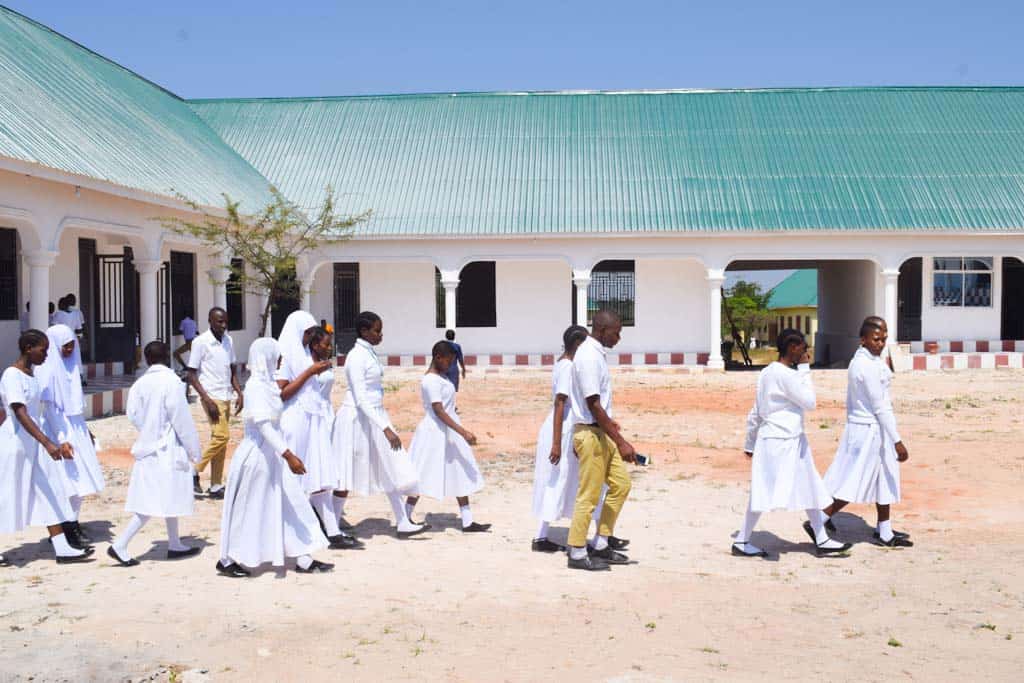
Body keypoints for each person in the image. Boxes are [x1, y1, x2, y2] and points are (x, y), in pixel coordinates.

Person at [218, 338, 333, 576]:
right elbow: (263, 426)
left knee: (291, 505)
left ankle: (303, 557)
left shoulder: (269, 385)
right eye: (277, 356)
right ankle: (228, 559)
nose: (280, 360)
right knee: (249, 509)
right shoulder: (255, 387)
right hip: (257, 457)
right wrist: (289, 455)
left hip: (273, 457)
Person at [731, 328, 851, 559]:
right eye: (803, 349)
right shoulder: (786, 375)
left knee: (809, 485)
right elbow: (810, 402)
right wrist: (805, 369)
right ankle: (742, 540)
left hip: (786, 440)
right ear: (793, 348)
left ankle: (822, 538)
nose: (806, 354)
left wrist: (750, 443)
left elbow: (756, 411)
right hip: (782, 441)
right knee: (763, 492)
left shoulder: (767, 372)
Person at [1, 330, 92, 563]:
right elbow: (20, 412)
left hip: (33, 445)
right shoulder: (12, 375)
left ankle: (62, 548)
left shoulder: (31, 375)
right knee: (6, 494)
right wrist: (47, 443)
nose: (46, 355)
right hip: (15, 444)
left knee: (50, 492)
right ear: (28, 348)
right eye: (43, 350)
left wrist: (51, 442)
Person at [333, 311, 426, 538]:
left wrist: (382, 423)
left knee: (390, 466)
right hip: (357, 419)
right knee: (345, 474)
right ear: (364, 331)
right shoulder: (356, 357)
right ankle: (331, 526)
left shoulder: (368, 353)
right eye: (377, 330)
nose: (380, 335)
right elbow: (361, 398)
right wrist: (385, 428)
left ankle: (403, 522)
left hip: (375, 416)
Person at [821, 317, 913, 548]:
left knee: (885, 477)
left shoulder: (867, 360)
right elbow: (880, 407)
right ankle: (819, 519)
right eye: (876, 339)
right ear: (863, 339)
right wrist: (897, 441)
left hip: (873, 429)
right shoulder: (866, 366)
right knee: (854, 480)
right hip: (869, 430)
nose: (881, 344)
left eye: (884, 339)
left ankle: (884, 531)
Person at [109, 342, 202, 566]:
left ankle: (174, 543)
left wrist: (149, 430)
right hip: (167, 448)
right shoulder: (172, 382)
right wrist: (194, 450)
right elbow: (181, 419)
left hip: (148, 446)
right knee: (151, 501)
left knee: (169, 495)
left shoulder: (140, 384)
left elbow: (133, 414)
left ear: (147, 359)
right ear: (167, 357)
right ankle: (120, 544)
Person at [275, 311, 360, 550]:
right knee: (295, 478)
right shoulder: (286, 357)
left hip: (314, 421)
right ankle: (292, 532)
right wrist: (310, 372)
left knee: (320, 476)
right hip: (296, 421)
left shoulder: (304, 354)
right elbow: (282, 393)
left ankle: (333, 532)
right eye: (308, 332)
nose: (310, 337)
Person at [565, 309, 634, 571]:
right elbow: (593, 403)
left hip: (601, 431)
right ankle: (577, 552)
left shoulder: (596, 354)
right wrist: (621, 442)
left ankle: (601, 543)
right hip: (590, 433)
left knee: (621, 484)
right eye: (616, 333)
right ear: (603, 330)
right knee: (589, 495)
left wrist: (612, 429)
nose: (618, 338)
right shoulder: (588, 356)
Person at [405, 341, 489, 533]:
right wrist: (463, 432)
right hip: (435, 432)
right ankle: (405, 516)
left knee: (460, 470)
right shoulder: (430, 381)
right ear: (437, 357)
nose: (450, 365)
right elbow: (439, 411)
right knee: (422, 474)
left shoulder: (441, 377)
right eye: (448, 361)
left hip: (449, 430)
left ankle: (467, 521)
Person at [37, 324, 104, 548]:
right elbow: (50, 409)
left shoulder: (71, 368)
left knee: (80, 479)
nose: (69, 350)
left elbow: (75, 407)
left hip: (75, 428)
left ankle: (71, 524)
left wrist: (86, 432)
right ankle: (67, 528)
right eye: (64, 346)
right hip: (58, 431)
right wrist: (62, 439)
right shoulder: (46, 370)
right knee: (68, 481)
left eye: (71, 346)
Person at [531, 325, 589, 552]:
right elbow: (560, 403)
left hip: (564, 427)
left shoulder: (564, 364)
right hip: (561, 428)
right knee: (557, 478)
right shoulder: (567, 367)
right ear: (577, 344)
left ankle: (546, 534)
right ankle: (540, 537)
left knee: (564, 479)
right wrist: (556, 443)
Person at [186, 307, 242, 499]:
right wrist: (206, 399)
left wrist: (239, 392)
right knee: (222, 436)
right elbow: (191, 374)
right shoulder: (200, 342)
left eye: (225, 321)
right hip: (211, 396)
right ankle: (193, 471)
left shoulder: (228, 340)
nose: (223, 325)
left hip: (226, 394)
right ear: (210, 321)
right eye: (219, 321)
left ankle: (216, 485)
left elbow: (232, 369)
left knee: (220, 443)